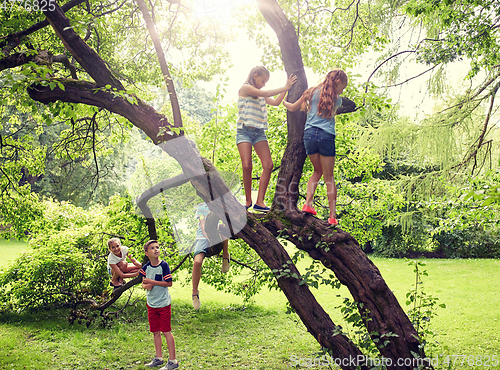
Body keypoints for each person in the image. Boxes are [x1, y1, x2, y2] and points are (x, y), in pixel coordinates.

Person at [283, 69, 348, 226]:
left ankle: (308, 204)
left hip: (309, 135)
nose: (342, 91)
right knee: (329, 178)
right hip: (326, 137)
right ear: (338, 81)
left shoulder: (311, 92)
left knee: (317, 171)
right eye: (343, 87)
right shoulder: (337, 100)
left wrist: (283, 101)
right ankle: (332, 216)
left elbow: (291, 107)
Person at [237, 66, 297, 212]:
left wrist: (287, 89)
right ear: (255, 75)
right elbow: (265, 92)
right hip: (244, 131)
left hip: (259, 133)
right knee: (246, 166)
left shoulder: (261, 96)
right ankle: (248, 200)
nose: (264, 84)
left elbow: (276, 102)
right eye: (263, 80)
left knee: (268, 165)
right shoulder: (246, 88)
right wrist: (285, 86)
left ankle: (260, 202)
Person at [140, 240, 179, 370]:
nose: (156, 249)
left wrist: (153, 282)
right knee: (155, 331)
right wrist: (147, 285)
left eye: (157, 247)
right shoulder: (146, 267)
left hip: (163, 304)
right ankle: (159, 358)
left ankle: (173, 361)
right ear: (147, 253)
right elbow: (143, 283)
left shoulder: (164, 265)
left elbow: (169, 283)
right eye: (152, 248)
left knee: (166, 331)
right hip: (151, 304)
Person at [191, 202, 230, 310]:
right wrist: (209, 238)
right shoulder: (201, 206)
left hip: (218, 233)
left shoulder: (220, 203)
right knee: (197, 262)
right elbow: (203, 225)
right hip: (202, 236)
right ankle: (195, 293)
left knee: (223, 228)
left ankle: (225, 256)